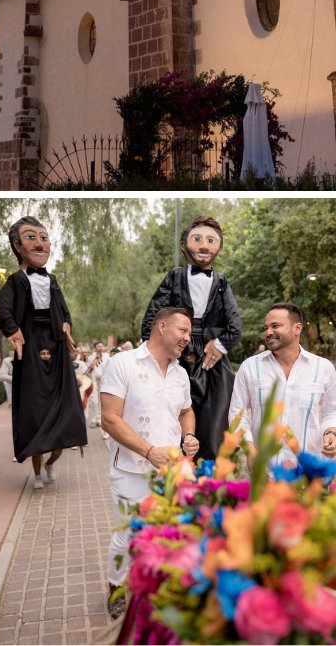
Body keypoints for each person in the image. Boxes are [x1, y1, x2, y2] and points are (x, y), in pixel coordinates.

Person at [100, 306, 199, 618]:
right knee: (128, 535)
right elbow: (109, 418)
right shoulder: (123, 363)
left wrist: (189, 436)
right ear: (162, 327)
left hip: (171, 471)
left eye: (189, 333)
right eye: (183, 331)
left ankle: (161, 590)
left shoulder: (181, 373)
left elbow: (186, 411)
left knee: (172, 531)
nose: (188, 338)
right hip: (130, 469)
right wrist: (147, 451)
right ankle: (116, 586)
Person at [0, 216, 87, 491]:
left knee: (65, 404)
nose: (39, 243)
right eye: (31, 237)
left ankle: (52, 462)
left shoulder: (53, 280)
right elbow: (4, 310)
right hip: (30, 340)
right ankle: (36, 471)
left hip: (56, 341)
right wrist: (13, 331)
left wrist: (67, 329)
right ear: (17, 245)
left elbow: (64, 310)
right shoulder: (15, 280)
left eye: (44, 237)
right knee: (35, 407)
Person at [140, 215, 241, 459]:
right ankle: (170, 474)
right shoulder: (174, 277)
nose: (204, 245)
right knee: (170, 414)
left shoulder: (221, 282)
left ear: (219, 247)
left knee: (214, 421)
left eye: (211, 240)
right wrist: (152, 353)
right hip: (177, 357)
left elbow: (235, 326)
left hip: (212, 362)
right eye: (197, 239)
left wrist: (220, 344)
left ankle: (210, 477)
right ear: (184, 245)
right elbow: (152, 319)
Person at [228, 302, 336, 464]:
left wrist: (331, 433)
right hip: (262, 472)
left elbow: (331, 412)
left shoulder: (323, 368)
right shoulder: (249, 367)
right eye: (266, 328)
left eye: (275, 326)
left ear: (297, 329)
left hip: (308, 472)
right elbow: (238, 414)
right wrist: (249, 450)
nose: (268, 332)